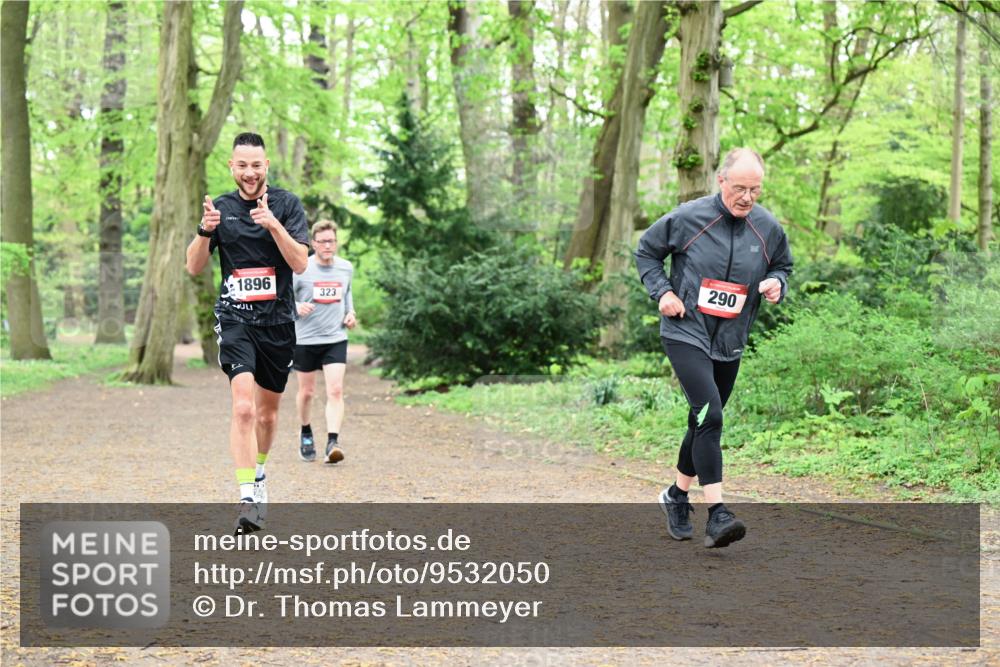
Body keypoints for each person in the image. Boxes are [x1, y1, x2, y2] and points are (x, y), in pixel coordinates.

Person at [635, 147, 792, 548]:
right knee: (712, 416)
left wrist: (777, 284)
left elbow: (782, 266)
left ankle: (675, 494)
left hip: (730, 341)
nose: (747, 197)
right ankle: (717, 513)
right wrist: (663, 292)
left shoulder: (767, 228)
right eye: (739, 187)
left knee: (701, 420)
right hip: (685, 331)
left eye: (755, 190)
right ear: (721, 180)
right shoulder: (689, 217)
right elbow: (648, 252)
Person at [185, 132, 309, 533]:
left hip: (277, 323)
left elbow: (301, 263)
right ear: (232, 166)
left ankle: (259, 474)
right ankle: (246, 497)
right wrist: (205, 232)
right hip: (236, 318)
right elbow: (193, 267)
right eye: (242, 165)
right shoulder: (219, 208)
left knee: (268, 416)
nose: (250, 172)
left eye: (256, 165)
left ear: (266, 166)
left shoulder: (287, 205)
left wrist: (273, 224)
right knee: (242, 407)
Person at [292, 220, 357, 464]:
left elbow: (347, 295)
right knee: (307, 392)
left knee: (336, 390)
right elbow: (285, 299)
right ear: (313, 243)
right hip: (306, 340)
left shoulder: (345, 268)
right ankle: (306, 431)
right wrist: (296, 307)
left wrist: (351, 314)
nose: (328, 246)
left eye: (332, 241)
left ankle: (333, 442)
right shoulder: (301, 268)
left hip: (335, 338)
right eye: (323, 241)